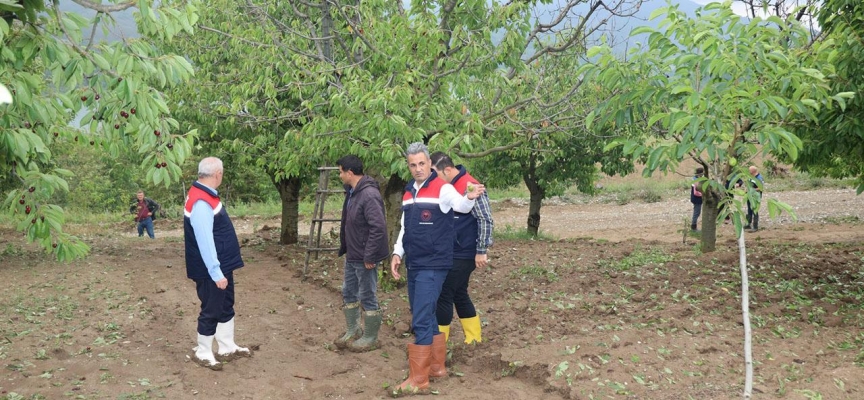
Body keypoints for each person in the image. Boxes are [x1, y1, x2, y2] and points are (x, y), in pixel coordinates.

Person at [390, 143, 485, 394]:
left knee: (420, 317)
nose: (418, 169)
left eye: (422, 164)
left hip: (435, 263)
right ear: (408, 166)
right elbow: (404, 226)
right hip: (415, 262)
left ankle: (419, 379)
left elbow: (461, 206)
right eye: (413, 165)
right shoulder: (409, 192)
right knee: (427, 314)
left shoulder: (442, 188)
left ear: (429, 163)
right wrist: (398, 252)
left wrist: (470, 197)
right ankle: (436, 366)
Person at [184, 157, 251, 370]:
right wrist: (216, 272)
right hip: (210, 268)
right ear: (217, 174)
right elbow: (204, 239)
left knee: (225, 304)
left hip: (222, 264)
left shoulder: (205, 195)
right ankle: (203, 351)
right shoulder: (201, 202)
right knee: (211, 308)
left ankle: (227, 346)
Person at [429, 152, 493, 345]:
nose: (431, 178)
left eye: (434, 172)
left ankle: (439, 344)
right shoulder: (448, 186)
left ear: (447, 170)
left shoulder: (471, 185)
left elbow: (485, 218)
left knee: (444, 293)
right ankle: (473, 339)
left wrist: (481, 250)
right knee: (459, 293)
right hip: (452, 250)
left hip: (464, 251)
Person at [334, 155, 390, 352]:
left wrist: (370, 255)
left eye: (341, 171)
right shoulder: (352, 192)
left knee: (367, 294)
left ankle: (371, 337)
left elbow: (378, 227)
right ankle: (354, 330)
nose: (339, 175)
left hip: (365, 256)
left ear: (350, 172)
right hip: (353, 253)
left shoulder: (369, 195)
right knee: (348, 291)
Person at [745, 165, 764, 231]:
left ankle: (755, 226)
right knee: (749, 210)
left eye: (749, 170)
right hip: (750, 196)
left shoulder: (759, 178)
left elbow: (761, 188)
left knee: (755, 210)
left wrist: (752, 190)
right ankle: (748, 224)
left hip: (756, 196)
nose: (749, 171)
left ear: (753, 171)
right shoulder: (751, 177)